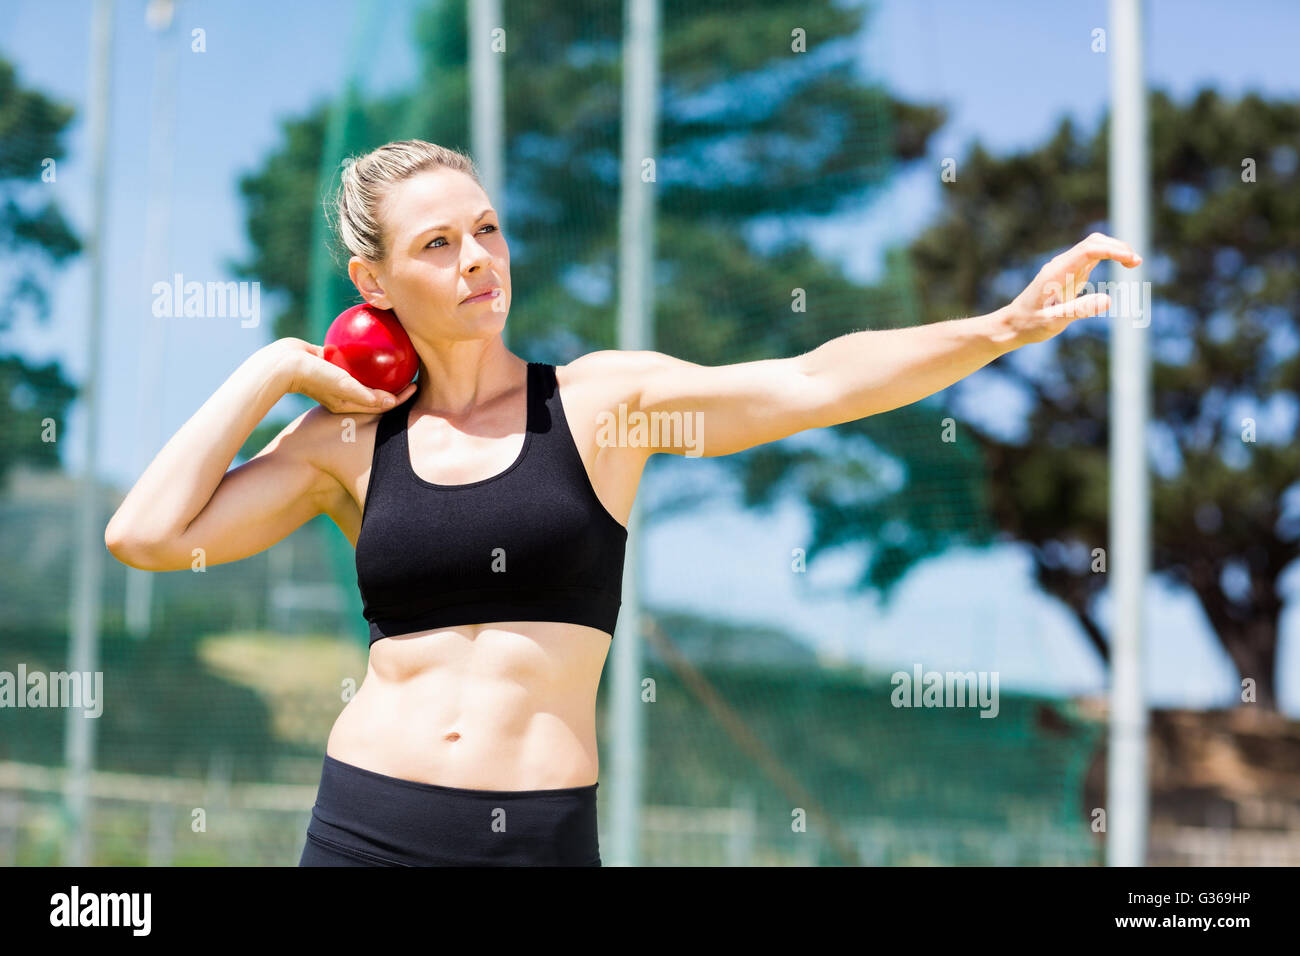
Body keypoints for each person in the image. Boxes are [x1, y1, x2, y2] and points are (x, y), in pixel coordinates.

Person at [104, 139, 1141, 866]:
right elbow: (145, 534)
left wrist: (999, 327)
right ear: (369, 281)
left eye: (487, 230)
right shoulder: (343, 440)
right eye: (435, 245)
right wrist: (275, 371)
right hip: (366, 825)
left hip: (541, 831)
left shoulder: (603, 404)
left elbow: (817, 377)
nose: (476, 261)